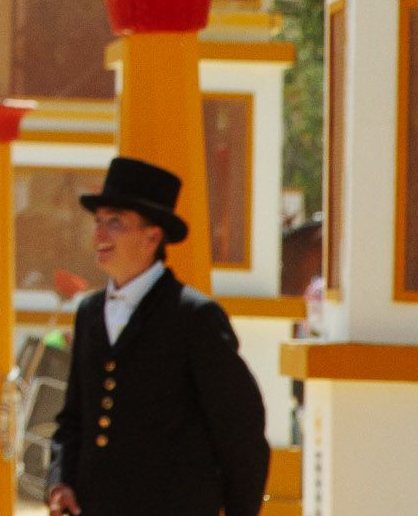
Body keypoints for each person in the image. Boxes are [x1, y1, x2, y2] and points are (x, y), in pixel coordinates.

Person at [46, 157, 268, 516]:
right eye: (98, 222)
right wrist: (60, 482)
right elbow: (74, 419)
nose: (99, 234)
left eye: (115, 222)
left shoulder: (195, 317)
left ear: (152, 236)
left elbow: (240, 431)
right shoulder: (89, 313)